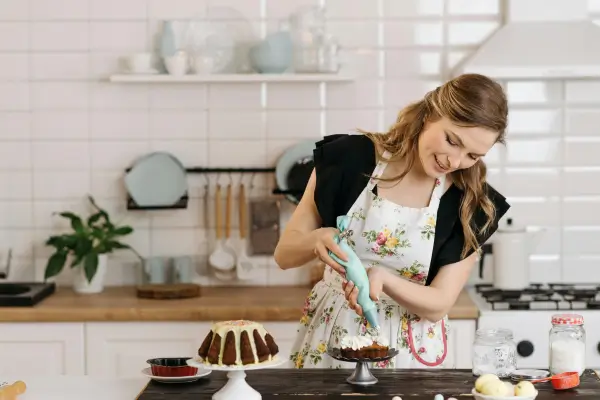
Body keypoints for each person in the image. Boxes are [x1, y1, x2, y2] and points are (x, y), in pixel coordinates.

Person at [273, 73, 512, 369]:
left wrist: (385, 280)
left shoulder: (472, 203)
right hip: (331, 338)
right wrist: (316, 239)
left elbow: (439, 303)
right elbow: (284, 255)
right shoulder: (349, 160)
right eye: (452, 141)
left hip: (411, 354)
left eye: (472, 155)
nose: (454, 161)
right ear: (431, 114)